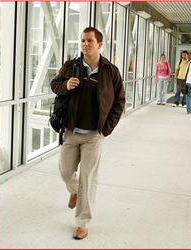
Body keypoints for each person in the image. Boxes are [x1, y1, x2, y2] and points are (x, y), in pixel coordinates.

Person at [50, 27, 125, 240]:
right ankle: (74, 191)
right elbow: (54, 85)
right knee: (66, 172)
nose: (85, 44)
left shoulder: (110, 71)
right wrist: (66, 85)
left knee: (88, 177)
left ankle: (82, 223)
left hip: (94, 134)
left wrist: (106, 128)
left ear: (100, 45)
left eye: (90, 41)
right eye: (83, 40)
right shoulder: (71, 66)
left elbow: (119, 101)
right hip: (72, 131)